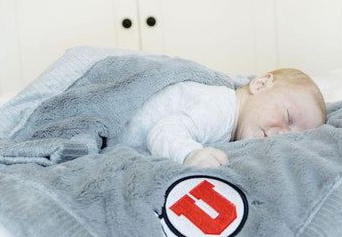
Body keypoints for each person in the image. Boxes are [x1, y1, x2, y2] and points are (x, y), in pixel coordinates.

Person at [117, 68, 327, 167]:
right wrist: (191, 155)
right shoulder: (221, 109)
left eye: (294, 136)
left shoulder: (234, 123)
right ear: (260, 84)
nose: (282, 134)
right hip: (117, 125)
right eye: (287, 116)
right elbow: (165, 130)